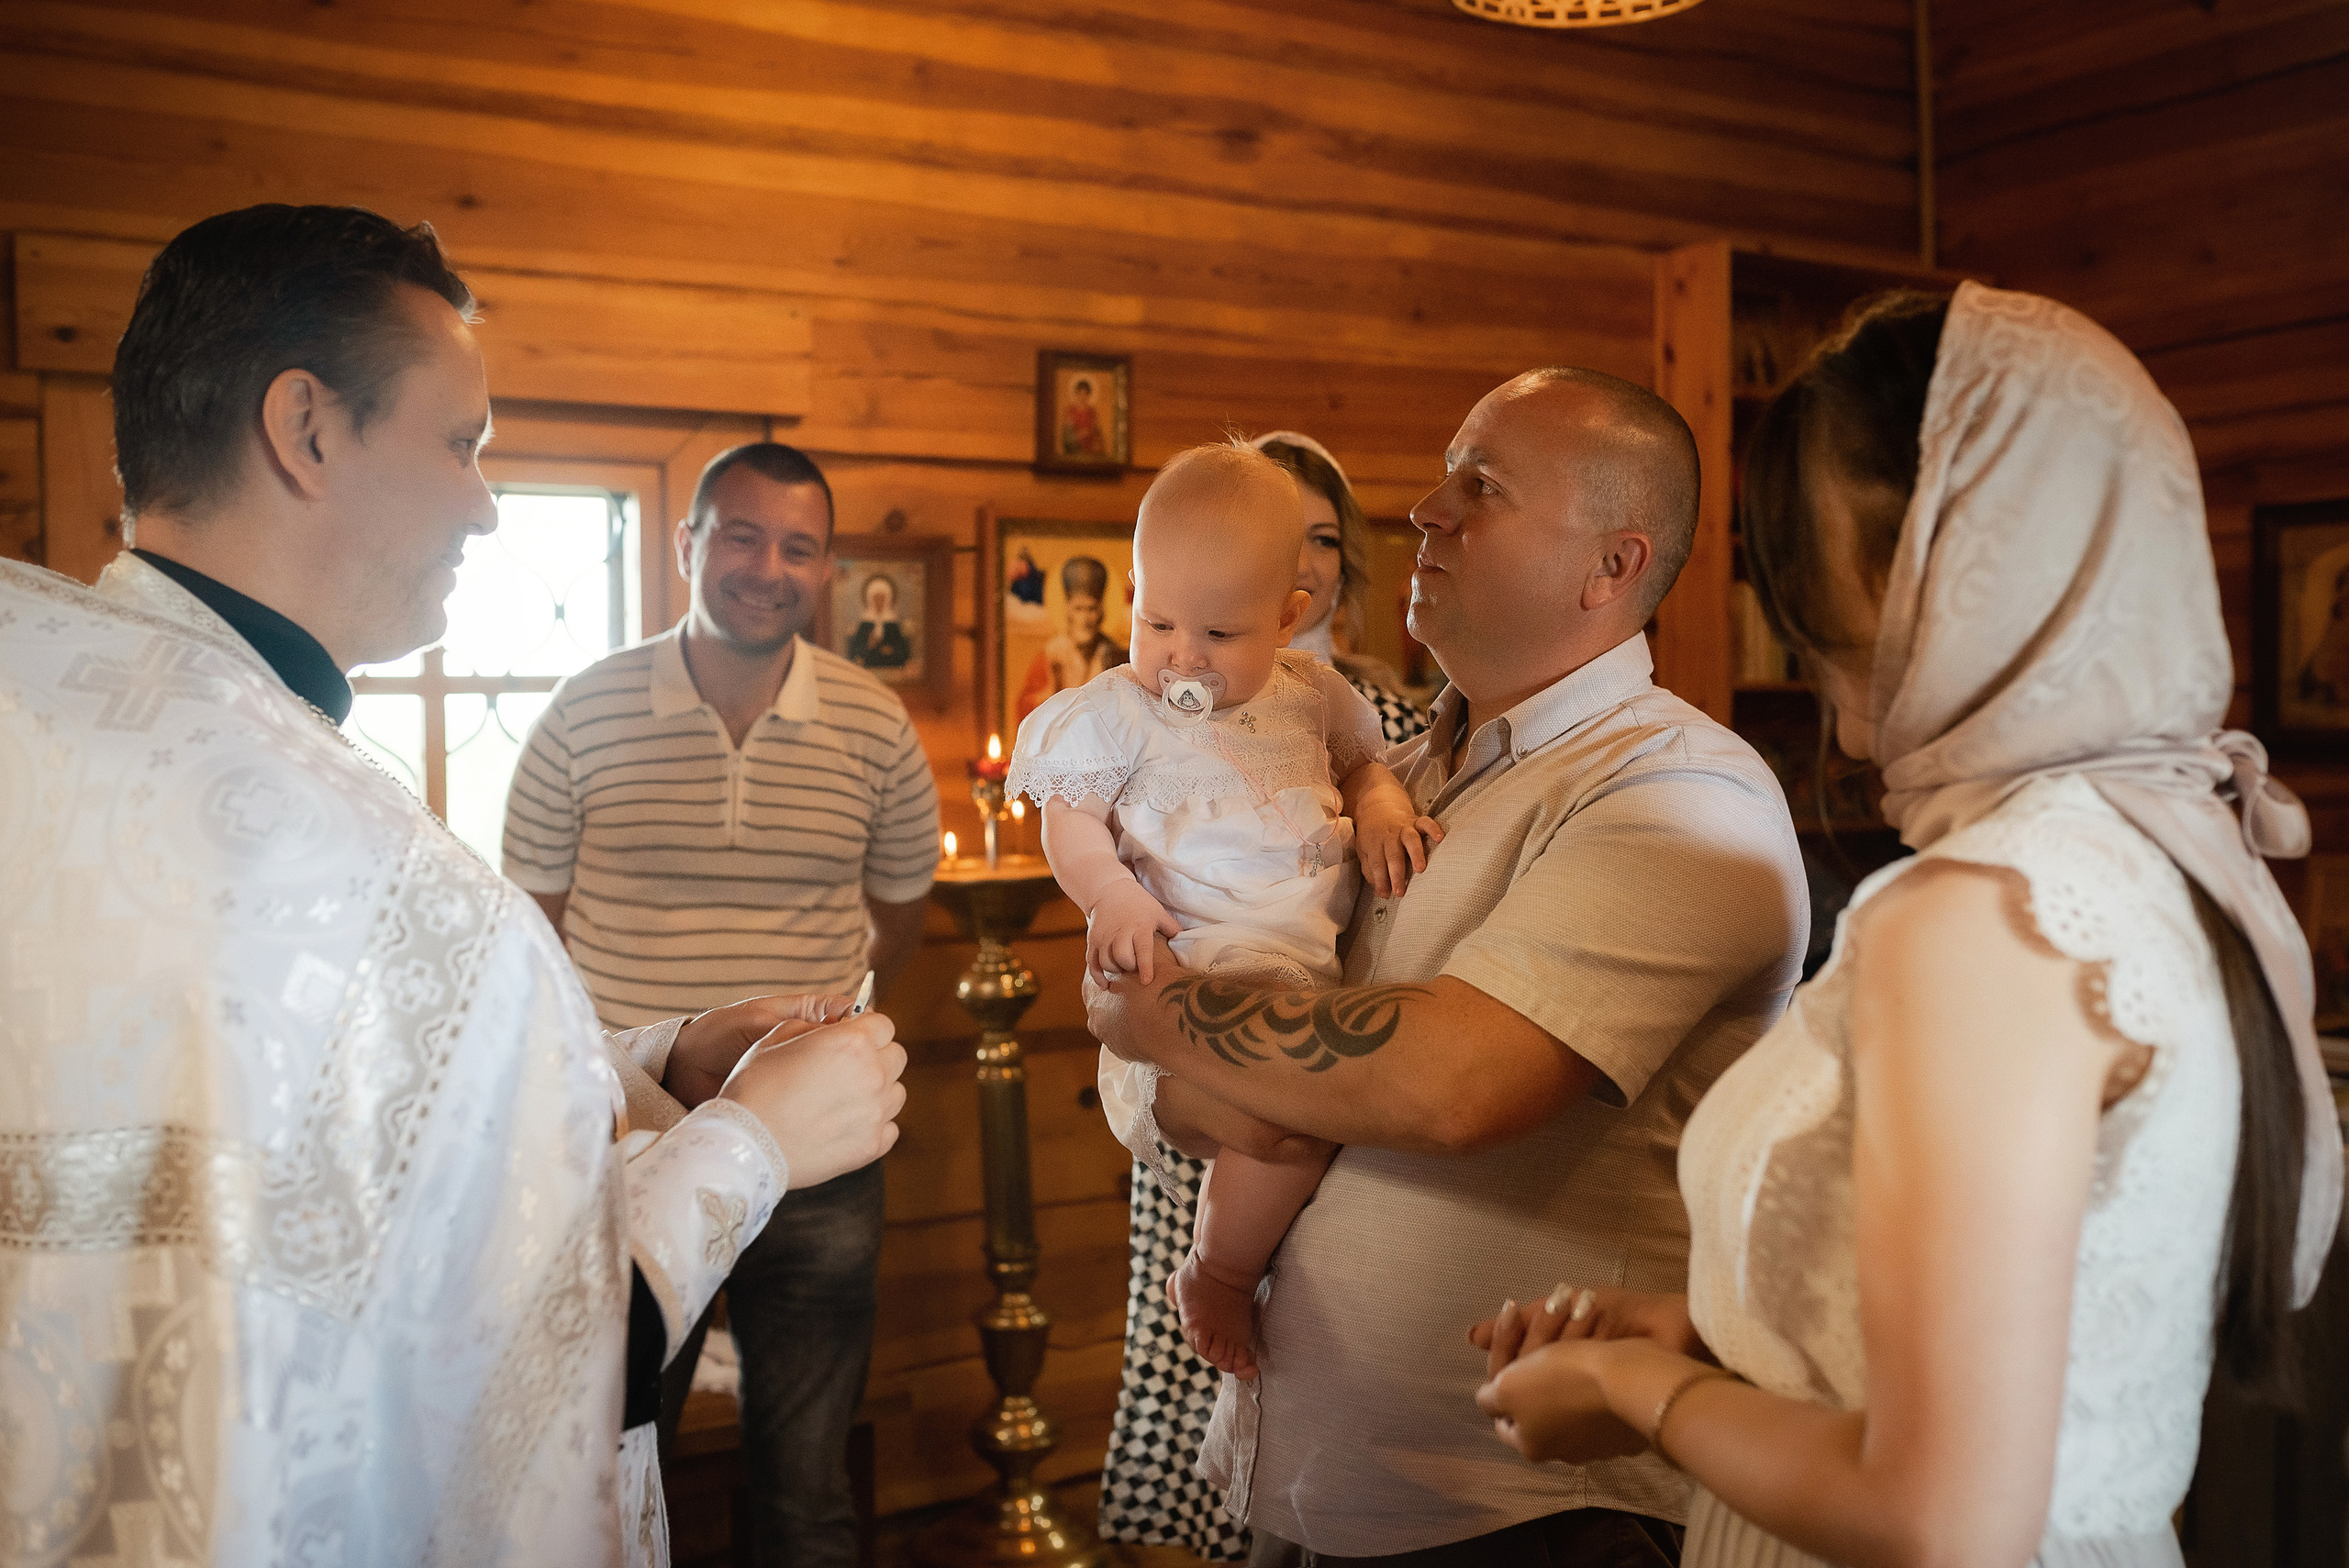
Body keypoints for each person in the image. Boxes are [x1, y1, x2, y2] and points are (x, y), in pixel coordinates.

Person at [0, 204, 907, 1566]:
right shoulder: (357, 854)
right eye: (461, 442)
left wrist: (652, 1051)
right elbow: (526, 1371)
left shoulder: (45, 680)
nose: (486, 501)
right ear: (306, 428)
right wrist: (756, 1141)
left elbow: (316, 1097)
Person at [1470, 286, 2347, 1568]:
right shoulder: (2155, 850)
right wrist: (1713, 1333)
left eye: (1825, 551)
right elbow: (2044, 1322)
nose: (1801, 605)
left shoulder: (1985, 916)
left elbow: (1940, 1519)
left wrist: (1631, 1397)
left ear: (1988, 554)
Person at [1085, 370, 1809, 1565]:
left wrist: (1153, 1019)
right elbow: (1178, 1092)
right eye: (1442, 475)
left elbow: (1452, 1083)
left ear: (1611, 566)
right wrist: (1167, 1046)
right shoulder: (1388, 779)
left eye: (1484, 487)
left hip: (1526, 1503)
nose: (1425, 510)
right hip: (1309, 1462)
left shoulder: (1681, 792)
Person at [501, 440, 940, 1568]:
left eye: (798, 545)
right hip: (632, 1136)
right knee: (606, 1449)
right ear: (689, 544)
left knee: (807, 1484)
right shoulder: (583, 710)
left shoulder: (876, 724)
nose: (766, 565)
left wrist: (804, 1026)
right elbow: (524, 926)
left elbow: (897, 916)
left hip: (822, 1147)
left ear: (828, 568)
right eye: (740, 535)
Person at [1010, 442, 1437, 1364]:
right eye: (1156, 618)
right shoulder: (1119, 709)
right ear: (1133, 586)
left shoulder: (1314, 696)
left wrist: (1381, 806)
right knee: (1292, 1127)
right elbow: (1069, 819)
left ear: (1287, 617)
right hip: (1193, 960)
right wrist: (1110, 892)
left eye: (1217, 634)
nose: (1180, 656)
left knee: (1325, 1122)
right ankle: (1218, 1272)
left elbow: (1366, 767)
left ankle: (1255, 1283)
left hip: (1308, 975)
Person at [1095, 431, 1431, 1562]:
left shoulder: (1382, 708)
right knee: (1202, 1358)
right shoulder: (1148, 705)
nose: (1318, 560)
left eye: (1330, 539)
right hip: (1206, 1028)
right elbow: (1114, 875)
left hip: (1323, 1041)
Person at [1014, 554, 1128, 726]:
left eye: (1091, 609)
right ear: (1067, 610)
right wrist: (1049, 695)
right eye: (1078, 609)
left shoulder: (1115, 657)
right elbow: (1024, 712)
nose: (1085, 619)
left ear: (1102, 612)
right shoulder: (1050, 656)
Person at [846, 572, 912, 671]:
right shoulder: (865, 624)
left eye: (882, 598)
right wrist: (868, 645)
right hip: (869, 669)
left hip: (890, 668)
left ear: (888, 599)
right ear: (870, 599)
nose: (879, 602)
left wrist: (892, 650)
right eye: (876, 598)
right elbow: (854, 652)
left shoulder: (892, 624)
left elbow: (904, 652)